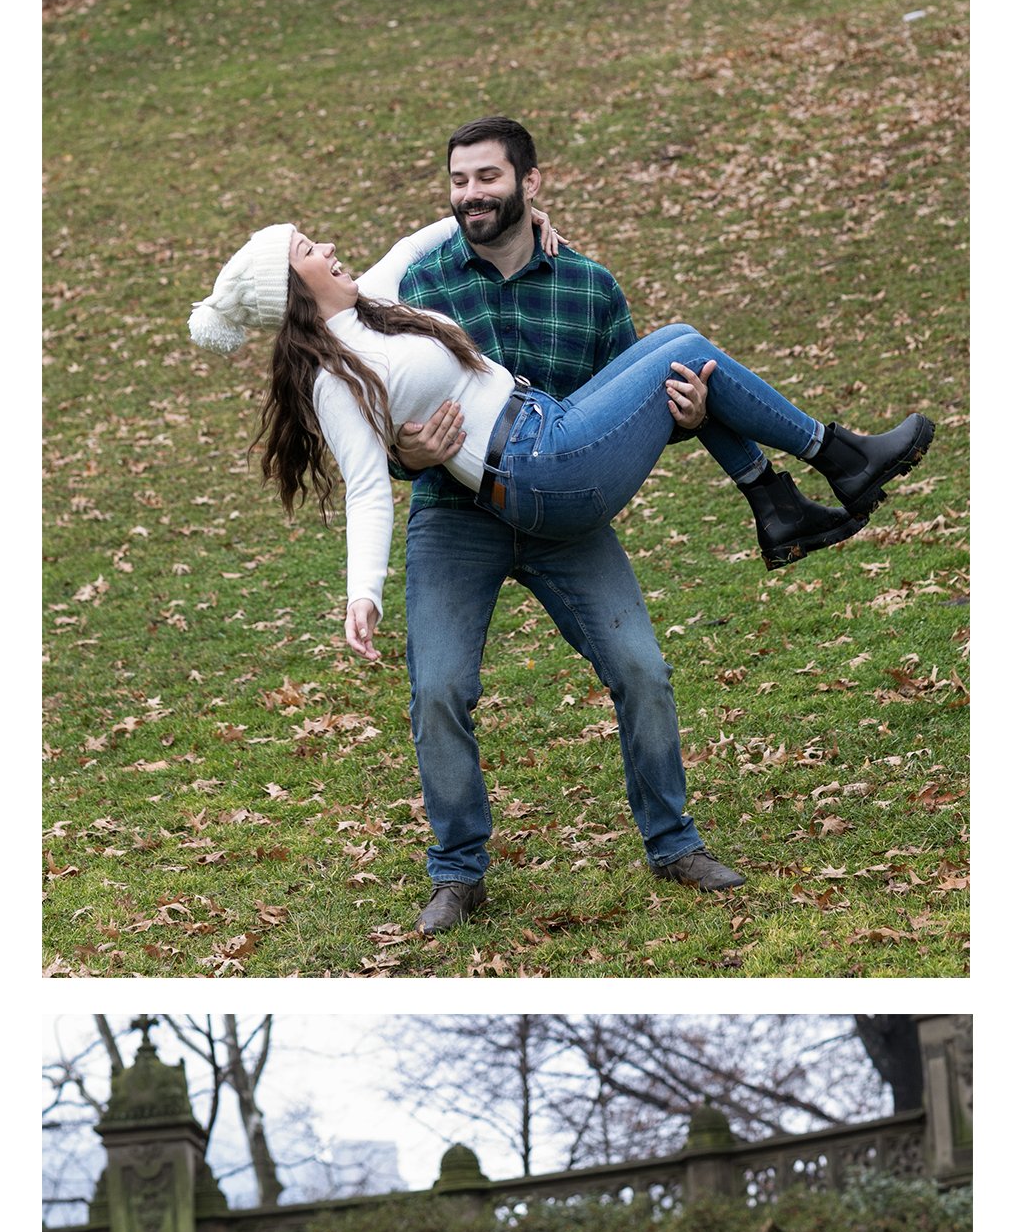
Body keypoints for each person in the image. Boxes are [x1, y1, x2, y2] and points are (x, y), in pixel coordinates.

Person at [190, 119, 936, 938]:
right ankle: (457, 874)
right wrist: (364, 583)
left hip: (558, 458)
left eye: (484, 179)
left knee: (642, 664)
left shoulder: (516, 285)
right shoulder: (341, 368)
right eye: (306, 248)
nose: (468, 196)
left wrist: (688, 412)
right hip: (494, 494)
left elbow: (630, 391)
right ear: (294, 290)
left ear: (528, 184)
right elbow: (372, 486)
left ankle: (674, 837)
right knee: (438, 686)